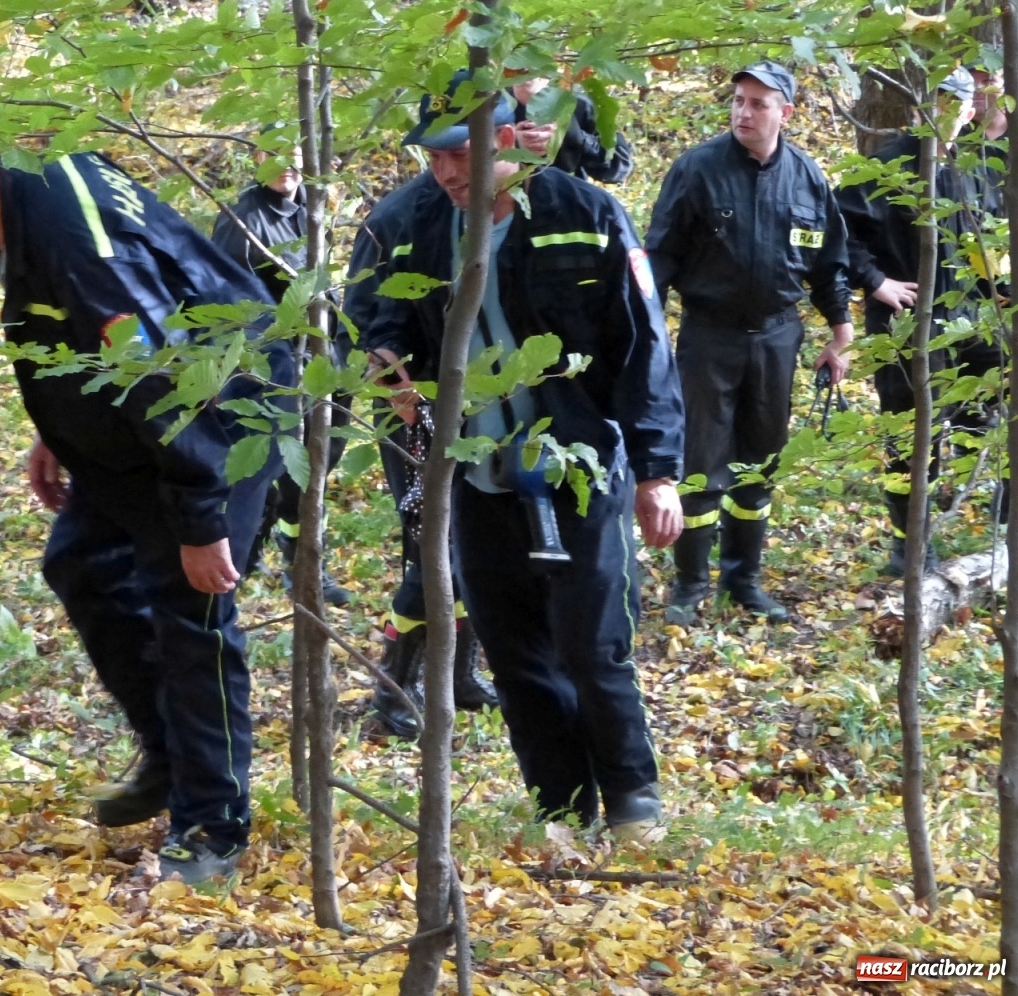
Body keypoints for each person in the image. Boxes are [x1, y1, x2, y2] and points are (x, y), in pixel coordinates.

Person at [0, 115, 291, 884]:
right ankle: (170, 756)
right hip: (143, 420)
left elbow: (159, 374)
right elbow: (94, 340)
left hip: (220, 412)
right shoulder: (27, 182)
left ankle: (212, 828)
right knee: (83, 563)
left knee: (191, 606)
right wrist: (61, 428)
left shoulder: (76, 244)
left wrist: (200, 517)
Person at [366, 69, 684, 838]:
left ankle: (633, 799)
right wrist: (386, 361)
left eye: (460, 153)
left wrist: (657, 472)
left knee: (591, 642)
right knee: (514, 653)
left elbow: (642, 349)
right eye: (433, 156)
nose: (445, 171)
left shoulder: (586, 214)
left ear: (508, 140)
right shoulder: (412, 222)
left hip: (579, 469)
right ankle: (560, 807)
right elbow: (376, 313)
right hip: (474, 476)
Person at [645, 61, 853, 627]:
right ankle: (690, 584)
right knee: (701, 462)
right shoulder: (697, 169)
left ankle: (744, 580)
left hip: (777, 338)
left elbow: (829, 263)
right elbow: (659, 255)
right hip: (709, 337)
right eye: (739, 100)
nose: (744, 111)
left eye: (759, 103)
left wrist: (841, 334)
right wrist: (647, 331)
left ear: (786, 113)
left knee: (760, 462)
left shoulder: (807, 178)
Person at [343, 162, 499, 741]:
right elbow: (360, 323)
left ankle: (459, 674)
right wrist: (394, 383)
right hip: (416, 409)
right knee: (432, 547)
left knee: (476, 545)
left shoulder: (496, 205)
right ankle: (395, 689)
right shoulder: (396, 217)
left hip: (483, 408)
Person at [835, 67, 1004, 574]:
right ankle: (909, 546)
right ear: (918, 107)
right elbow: (836, 232)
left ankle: (1000, 524)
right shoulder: (886, 165)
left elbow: (992, 241)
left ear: (969, 112)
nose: (941, 112)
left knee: (994, 407)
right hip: (905, 328)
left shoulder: (974, 169)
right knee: (909, 436)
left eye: (954, 103)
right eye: (934, 101)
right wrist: (876, 281)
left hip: (970, 325)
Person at [211, 135, 353, 608]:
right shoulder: (242, 219)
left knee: (319, 464)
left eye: (292, 155)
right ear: (255, 159)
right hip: (276, 366)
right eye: (271, 154)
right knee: (286, 467)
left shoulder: (313, 209)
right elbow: (227, 299)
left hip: (325, 358)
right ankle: (285, 563)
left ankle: (298, 554)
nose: (284, 165)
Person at [498, 75, 634, 185]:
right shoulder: (492, 105)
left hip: (566, 204)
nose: (525, 71)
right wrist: (509, 144)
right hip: (503, 204)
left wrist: (572, 136)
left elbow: (619, 168)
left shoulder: (578, 104)